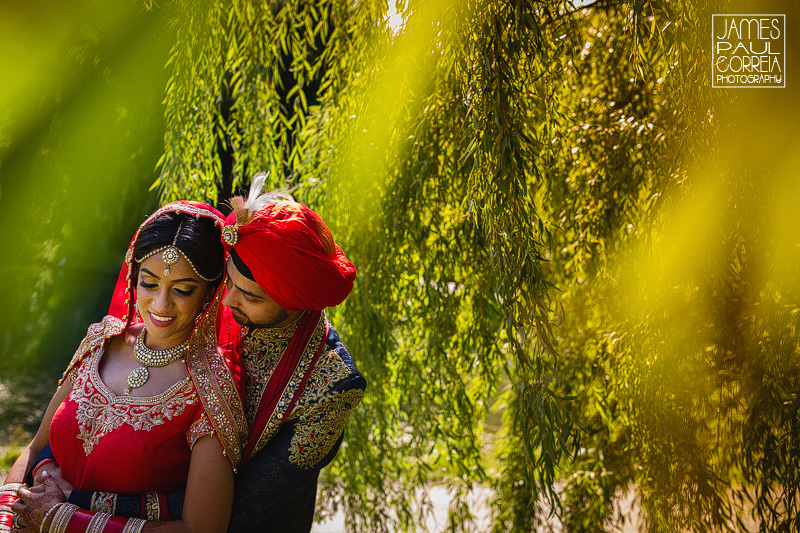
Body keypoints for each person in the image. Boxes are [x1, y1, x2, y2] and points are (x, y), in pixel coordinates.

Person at [19, 177, 366, 533]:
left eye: (250, 297)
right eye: (228, 283)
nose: (227, 301)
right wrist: (47, 464)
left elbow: (241, 508)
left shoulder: (330, 388)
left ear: (294, 302)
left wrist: (70, 503)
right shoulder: (195, 312)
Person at [1, 202, 248, 533]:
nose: (161, 304)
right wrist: (7, 514)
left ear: (211, 292)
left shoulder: (211, 389)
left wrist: (62, 521)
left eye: (182, 290)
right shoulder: (101, 342)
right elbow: (33, 450)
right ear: (134, 278)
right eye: (149, 283)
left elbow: (201, 528)